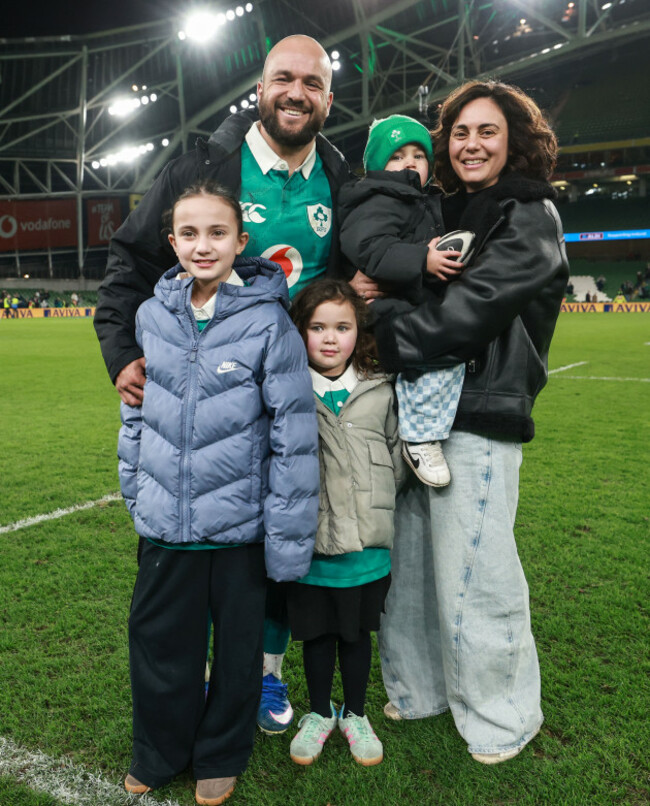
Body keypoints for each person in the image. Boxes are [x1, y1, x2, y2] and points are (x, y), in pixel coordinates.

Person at [94, 34, 354, 734]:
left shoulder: (340, 174)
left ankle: (263, 679)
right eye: (283, 78)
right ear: (260, 87)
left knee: (280, 540)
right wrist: (122, 354)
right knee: (211, 545)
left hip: (297, 399)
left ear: (328, 98)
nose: (296, 92)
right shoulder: (203, 167)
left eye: (311, 82)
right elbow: (128, 262)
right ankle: (203, 673)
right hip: (215, 397)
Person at [371, 80, 569, 764]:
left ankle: (501, 717)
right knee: (414, 567)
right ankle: (420, 690)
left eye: (487, 131)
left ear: (513, 138)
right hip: (415, 409)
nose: (471, 143)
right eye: (459, 132)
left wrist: (388, 338)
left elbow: (478, 306)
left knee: (476, 572)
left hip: (481, 412)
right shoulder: (439, 209)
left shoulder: (528, 211)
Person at [117, 180, 319, 805]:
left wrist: (287, 542)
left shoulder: (268, 322)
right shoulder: (151, 315)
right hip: (166, 527)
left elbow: (294, 435)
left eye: (217, 233)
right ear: (171, 239)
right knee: (159, 645)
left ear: (240, 241)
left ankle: (220, 754)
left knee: (236, 654)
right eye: (189, 233)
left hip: (238, 529)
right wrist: (136, 491)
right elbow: (134, 415)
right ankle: (159, 749)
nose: (203, 246)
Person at [285, 279, 404, 767]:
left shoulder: (380, 391)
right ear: (300, 332)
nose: (329, 338)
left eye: (342, 327)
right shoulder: (290, 392)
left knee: (357, 635)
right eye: (317, 327)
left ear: (360, 332)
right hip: (311, 547)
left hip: (366, 547)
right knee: (317, 635)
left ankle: (355, 713)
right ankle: (318, 712)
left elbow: (398, 458)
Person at [339, 114, 470, 488]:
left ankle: (413, 433)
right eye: (397, 156)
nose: (410, 162)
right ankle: (421, 436)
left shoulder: (423, 201)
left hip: (406, 300)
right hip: (382, 310)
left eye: (419, 154)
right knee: (434, 349)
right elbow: (372, 249)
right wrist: (421, 259)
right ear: (377, 166)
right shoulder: (378, 197)